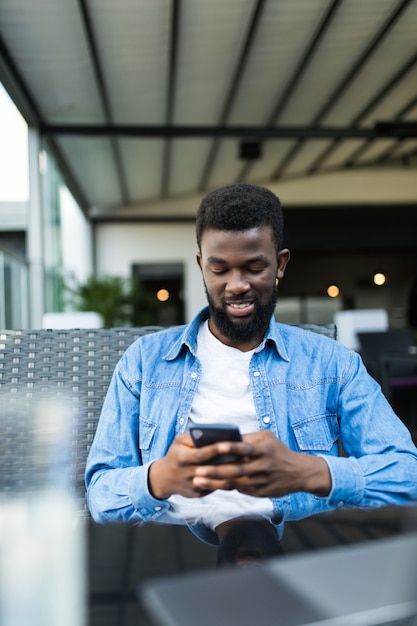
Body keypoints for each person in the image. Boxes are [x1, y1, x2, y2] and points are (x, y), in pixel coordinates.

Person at [85, 182, 417, 556]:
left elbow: (407, 474)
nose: (237, 285)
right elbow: (100, 497)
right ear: (201, 266)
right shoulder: (144, 362)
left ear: (280, 264)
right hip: (171, 549)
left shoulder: (333, 364)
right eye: (220, 269)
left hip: (297, 548)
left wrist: (308, 472)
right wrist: (160, 478)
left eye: (254, 267)